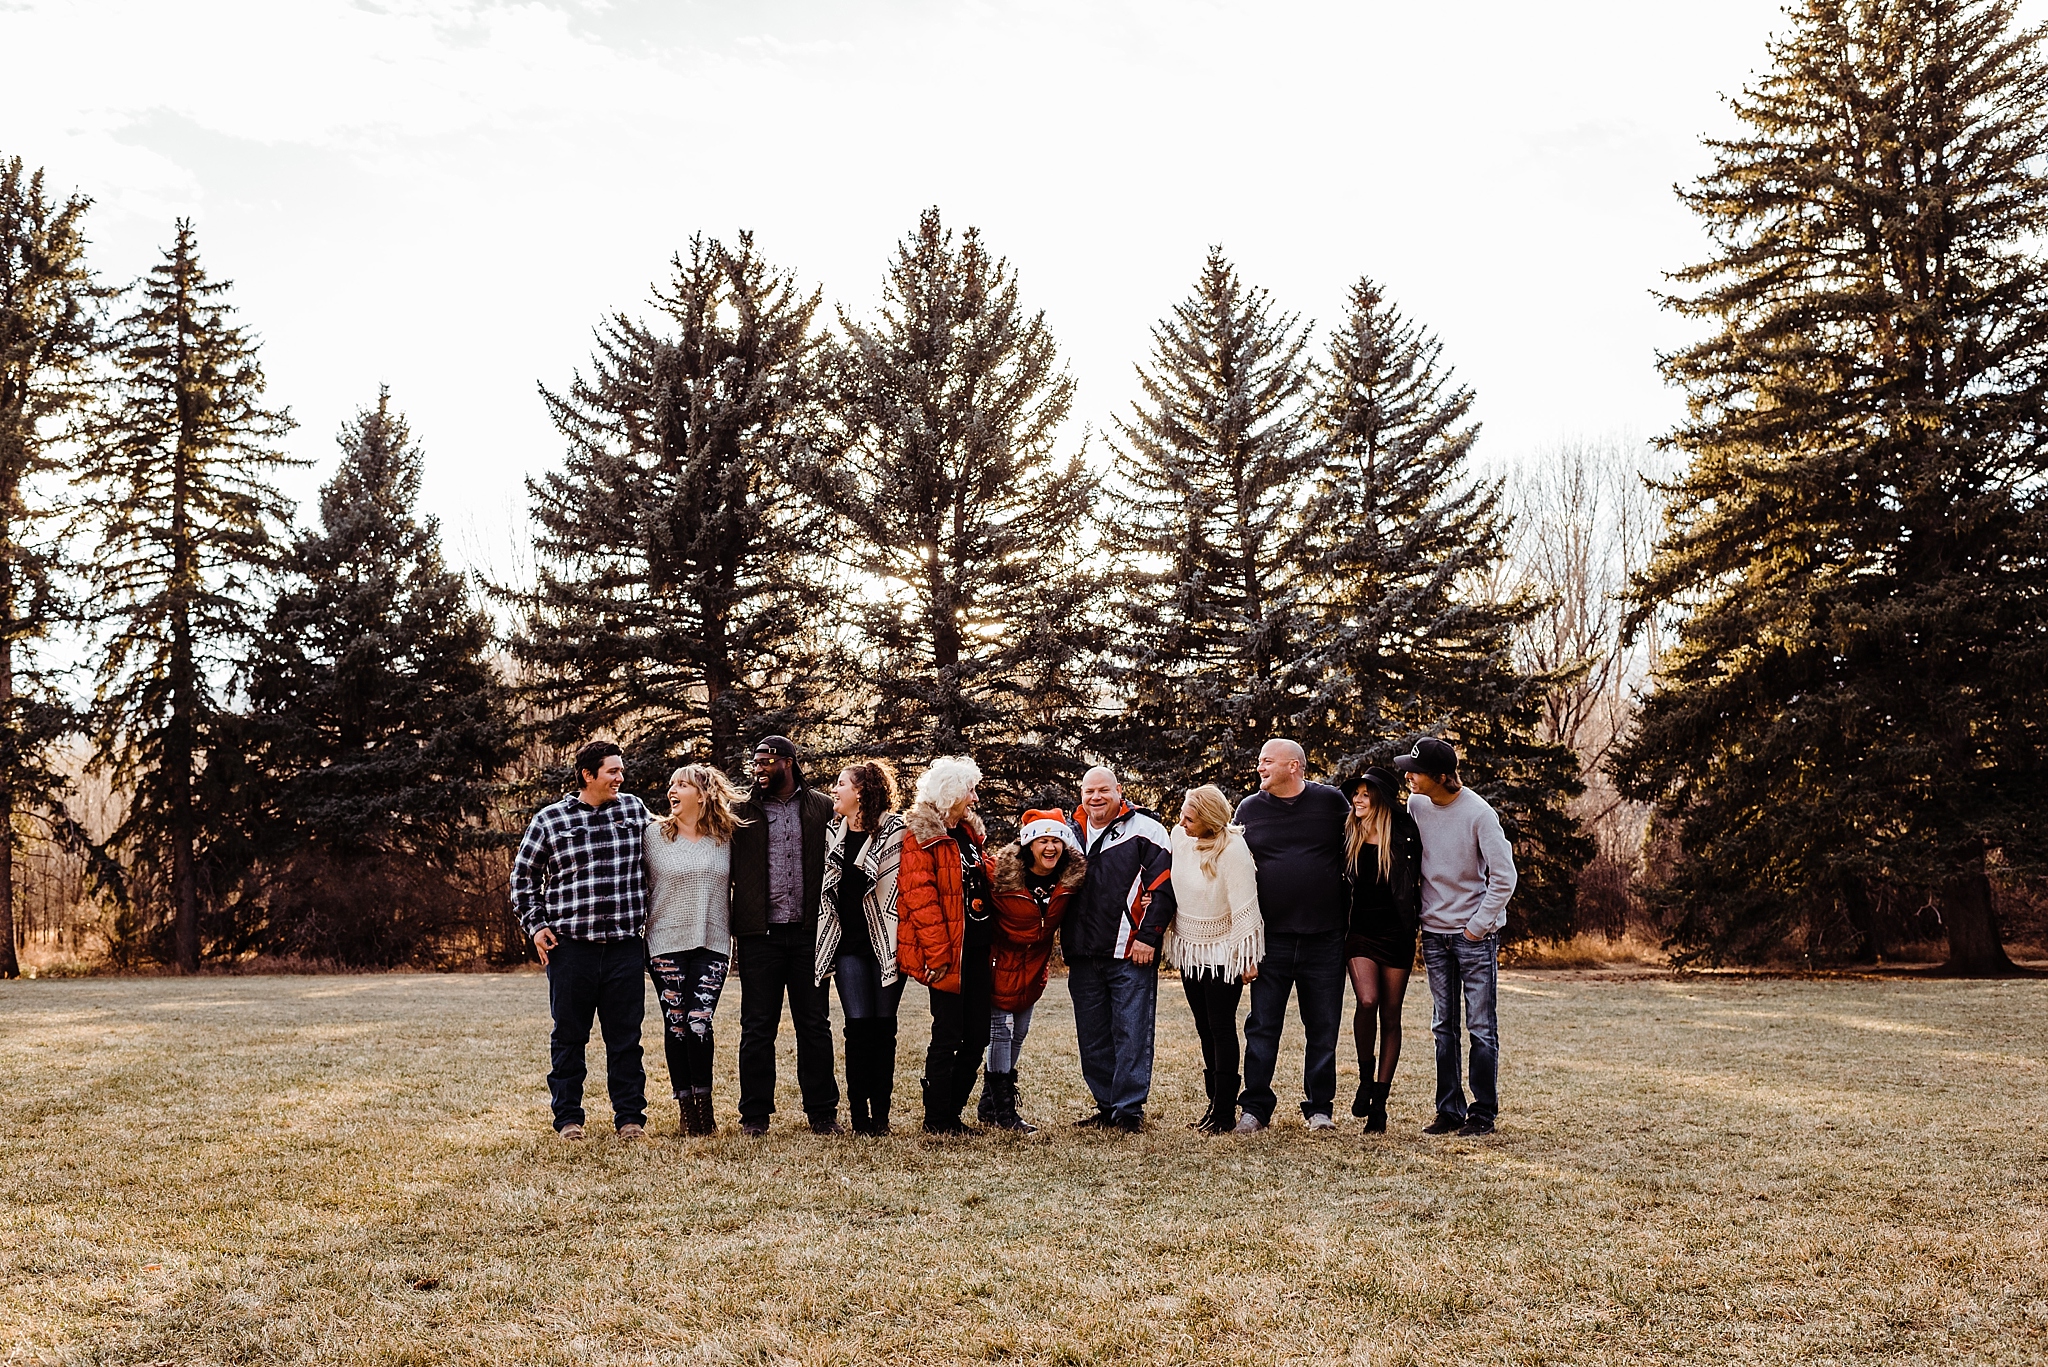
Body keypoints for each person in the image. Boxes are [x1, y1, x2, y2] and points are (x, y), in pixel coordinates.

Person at [512, 740, 653, 1141]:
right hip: (571, 949)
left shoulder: (634, 810)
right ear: (588, 775)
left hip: (625, 945)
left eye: (621, 771)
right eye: (612, 771)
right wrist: (536, 926)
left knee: (626, 1039)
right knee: (570, 1037)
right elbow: (523, 878)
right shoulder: (549, 820)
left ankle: (630, 1119)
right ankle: (569, 1120)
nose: (620, 778)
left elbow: (669, 848)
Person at [1394, 736, 1517, 1137]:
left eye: (1416, 772)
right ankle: (1449, 1111)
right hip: (1434, 934)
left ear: (1442, 776)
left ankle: (1482, 1114)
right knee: (1441, 1025)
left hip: (1473, 938)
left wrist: (1476, 926)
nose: (1409, 777)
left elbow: (1504, 878)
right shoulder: (1416, 805)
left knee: (1480, 1027)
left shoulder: (1479, 814)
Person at [1232, 738, 1350, 1133]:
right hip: (1271, 940)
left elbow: (1362, 843)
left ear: (1294, 766)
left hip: (1325, 937)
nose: (1260, 767)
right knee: (1262, 1024)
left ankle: (1320, 1109)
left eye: (1267, 761)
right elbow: (1233, 869)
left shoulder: (1331, 802)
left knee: (1323, 1024)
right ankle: (1255, 1110)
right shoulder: (1249, 809)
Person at [730, 735, 840, 1135]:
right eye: (755, 762)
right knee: (757, 1026)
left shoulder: (823, 808)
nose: (758, 768)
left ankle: (823, 1113)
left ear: (789, 763)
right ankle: (754, 1116)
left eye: (766, 761)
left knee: (814, 1024)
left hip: (810, 934)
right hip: (759, 935)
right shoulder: (739, 811)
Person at [1062, 766, 1176, 1132]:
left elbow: (1164, 888)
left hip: (1129, 950)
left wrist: (1149, 936)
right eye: (1088, 791)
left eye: (1103, 790)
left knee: (1131, 1032)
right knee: (1092, 1034)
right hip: (1082, 951)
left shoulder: (1145, 829)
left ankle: (1128, 1111)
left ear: (1118, 790)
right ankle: (1106, 1105)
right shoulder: (1069, 833)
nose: (1095, 798)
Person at [644, 763, 749, 1137]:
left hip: (713, 944)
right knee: (676, 1026)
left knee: (698, 1022)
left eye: (682, 785)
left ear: (703, 794)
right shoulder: (652, 836)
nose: (672, 790)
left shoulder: (726, 836)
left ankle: (705, 1108)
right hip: (665, 946)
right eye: (670, 784)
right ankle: (687, 1111)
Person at [896, 755, 992, 1134]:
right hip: (949, 954)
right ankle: (938, 1117)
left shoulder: (968, 835)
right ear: (952, 793)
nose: (975, 798)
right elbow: (921, 900)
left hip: (979, 951)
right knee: (949, 1033)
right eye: (970, 790)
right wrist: (938, 955)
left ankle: (953, 1110)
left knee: (978, 1034)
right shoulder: (921, 837)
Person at [813, 761, 909, 1135]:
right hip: (849, 945)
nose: (834, 791)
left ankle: (881, 1116)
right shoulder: (832, 833)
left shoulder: (895, 831)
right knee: (857, 1028)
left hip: (886, 943)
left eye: (840, 784)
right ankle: (859, 1115)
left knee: (884, 1030)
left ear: (862, 791)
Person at [979, 808, 1087, 1133]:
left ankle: (989, 1104)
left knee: (1020, 1032)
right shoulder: (1000, 874)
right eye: (1043, 840)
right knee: (1001, 1031)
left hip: (1034, 966)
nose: (1050, 847)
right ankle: (1005, 1112)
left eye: (1056, 840)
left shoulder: (1070, 879)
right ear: (1029, 844)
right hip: (1001, 962)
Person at [1163, 785, 1264, 1135]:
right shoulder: (1180, 838)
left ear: (1207, 819)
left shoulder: (1234, 848)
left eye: (1190, 818)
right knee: (1204, 1027)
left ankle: (1224, 1112)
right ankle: (1213, 1104)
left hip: (1224, 951)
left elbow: (1243, 903)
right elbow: (1171, 883)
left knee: (1221, 1028)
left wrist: (1246, 956)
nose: (1182, 822)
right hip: (1191, 947)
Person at [1339, 764, 1422, 1135]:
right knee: (1367, 1001)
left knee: (1391, 1016)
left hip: (1398, 933)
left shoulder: (1405, 834)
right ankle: (1364, 1077)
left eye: (1365, 793)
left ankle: (1380, 1103)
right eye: (1356, 792)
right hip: (1360, 933)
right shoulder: (1348, 832)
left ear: (1381, 798)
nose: (1358, 798)